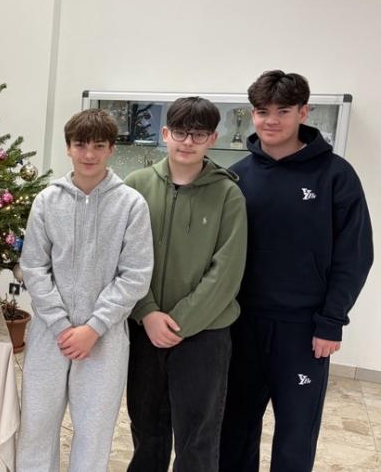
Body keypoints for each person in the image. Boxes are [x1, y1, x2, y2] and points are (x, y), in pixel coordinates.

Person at [218, 71, 374, 471]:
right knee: (234, 430)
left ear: (304, 112)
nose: (271, 120)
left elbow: (355, 255)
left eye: (283, 111)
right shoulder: (237, 177)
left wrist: (332, 321)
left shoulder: (335, 175)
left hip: (304, 331)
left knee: (296, 435)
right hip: (242, 326)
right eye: (262, 111)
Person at [17, 108, 154, 471]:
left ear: (111, 149)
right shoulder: (47, 200)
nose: (89, 154)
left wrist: (93, 328)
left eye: (98, 145)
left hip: (104, 339)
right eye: (80, 145)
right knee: (36, 428)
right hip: (50, 335)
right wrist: (62, 326)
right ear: (68, 148)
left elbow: (136, 274)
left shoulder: (131, 205)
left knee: (94, 433)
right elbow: (34, 266)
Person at [123, 97, 247, 471]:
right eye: (180, 132)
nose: (188, 142)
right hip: (145, 329)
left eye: (198, 134)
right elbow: (121, 258)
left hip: (204, 336)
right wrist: (147, 312)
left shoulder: (228, 195)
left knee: (197, 438)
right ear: (165, 133)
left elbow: (226, 271)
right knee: (146, 431)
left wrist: (179, 323)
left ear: (213, 138)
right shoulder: (136, 186)